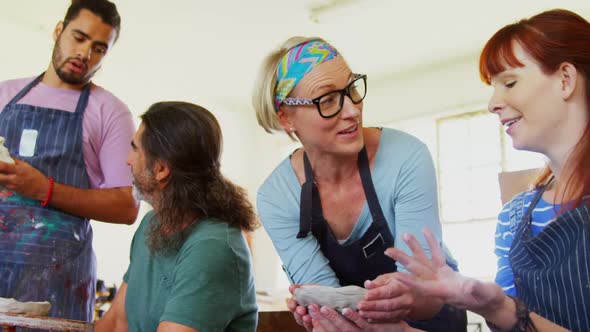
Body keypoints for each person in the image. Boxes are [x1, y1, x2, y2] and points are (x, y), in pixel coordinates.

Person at [313, 8, 590, 332]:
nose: (492, 103)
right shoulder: (513, 218)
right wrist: (399, 331)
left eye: (510, 82)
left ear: (565, 79)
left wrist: (499, 307)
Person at [252, 37, 467, 331]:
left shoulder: (406, 157)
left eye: (352, 89)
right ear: (287, 118)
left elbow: (427, 294)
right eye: (327, 100)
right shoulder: (278, 196)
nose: (352, 110)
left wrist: (399, 296)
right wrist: (323, 313)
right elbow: (323, 299)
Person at [0, 0, 137, 324]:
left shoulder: (110, 112)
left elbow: (126, 206)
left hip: (60, 284)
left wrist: (43, 188)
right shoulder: (5, 95)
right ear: (59, 30)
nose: (85, 53)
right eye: (79, 37)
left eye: (99, 48)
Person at [94, 101, 259, 332]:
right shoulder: (151, 224)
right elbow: (115, 324)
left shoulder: (213, 247)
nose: (127, 160)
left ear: (161, 169)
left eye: (135, 148)